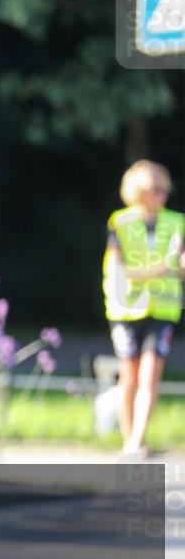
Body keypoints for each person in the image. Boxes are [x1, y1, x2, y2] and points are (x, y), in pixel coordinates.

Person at [103, 160, 185, 458]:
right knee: (131, 376)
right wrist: (163, 268)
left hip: (162, 310)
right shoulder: (121, 222)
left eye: (165, 189)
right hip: (126, 310)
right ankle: (129, 440)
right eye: (156, 189)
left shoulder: (177, 222)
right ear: (140, 191)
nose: (163, 195)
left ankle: (138, 440)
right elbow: (118, 268)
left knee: (151, 375)